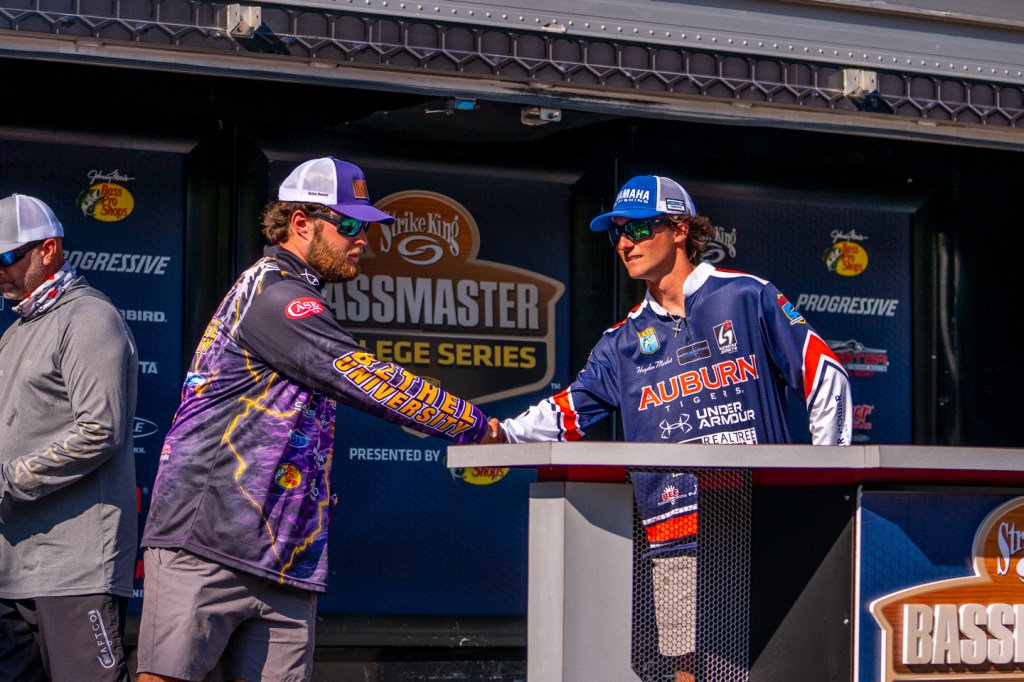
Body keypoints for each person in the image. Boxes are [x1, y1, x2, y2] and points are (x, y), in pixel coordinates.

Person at [136, 156, 501, 682]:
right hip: (210, 540)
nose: (362, 239)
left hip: (286, 556)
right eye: (349, 224)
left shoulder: (298, 292)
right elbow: (365, 377)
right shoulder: (276, 294)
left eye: (367, 227)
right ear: (301, 223)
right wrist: (475, 425)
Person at [491, 175, 852, 676]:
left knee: (776, 663)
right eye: (617, 232)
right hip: (675, 532)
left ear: (680, 230)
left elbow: (824, 374)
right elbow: (568, 410)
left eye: (638, 228)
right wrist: (503, 436)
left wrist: (824, 484)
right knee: (690, 671)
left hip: (761, 520)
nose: (624, 243)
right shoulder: (622, 341)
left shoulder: (746, 296)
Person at [0, 193, 139, 682]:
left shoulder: (88, 317)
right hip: (13, 570)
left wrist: (7, 479)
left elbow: (100, 429)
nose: (0, 271)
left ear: (49, 249)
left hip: (75, 572)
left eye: (8, 257)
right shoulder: (16, 331)